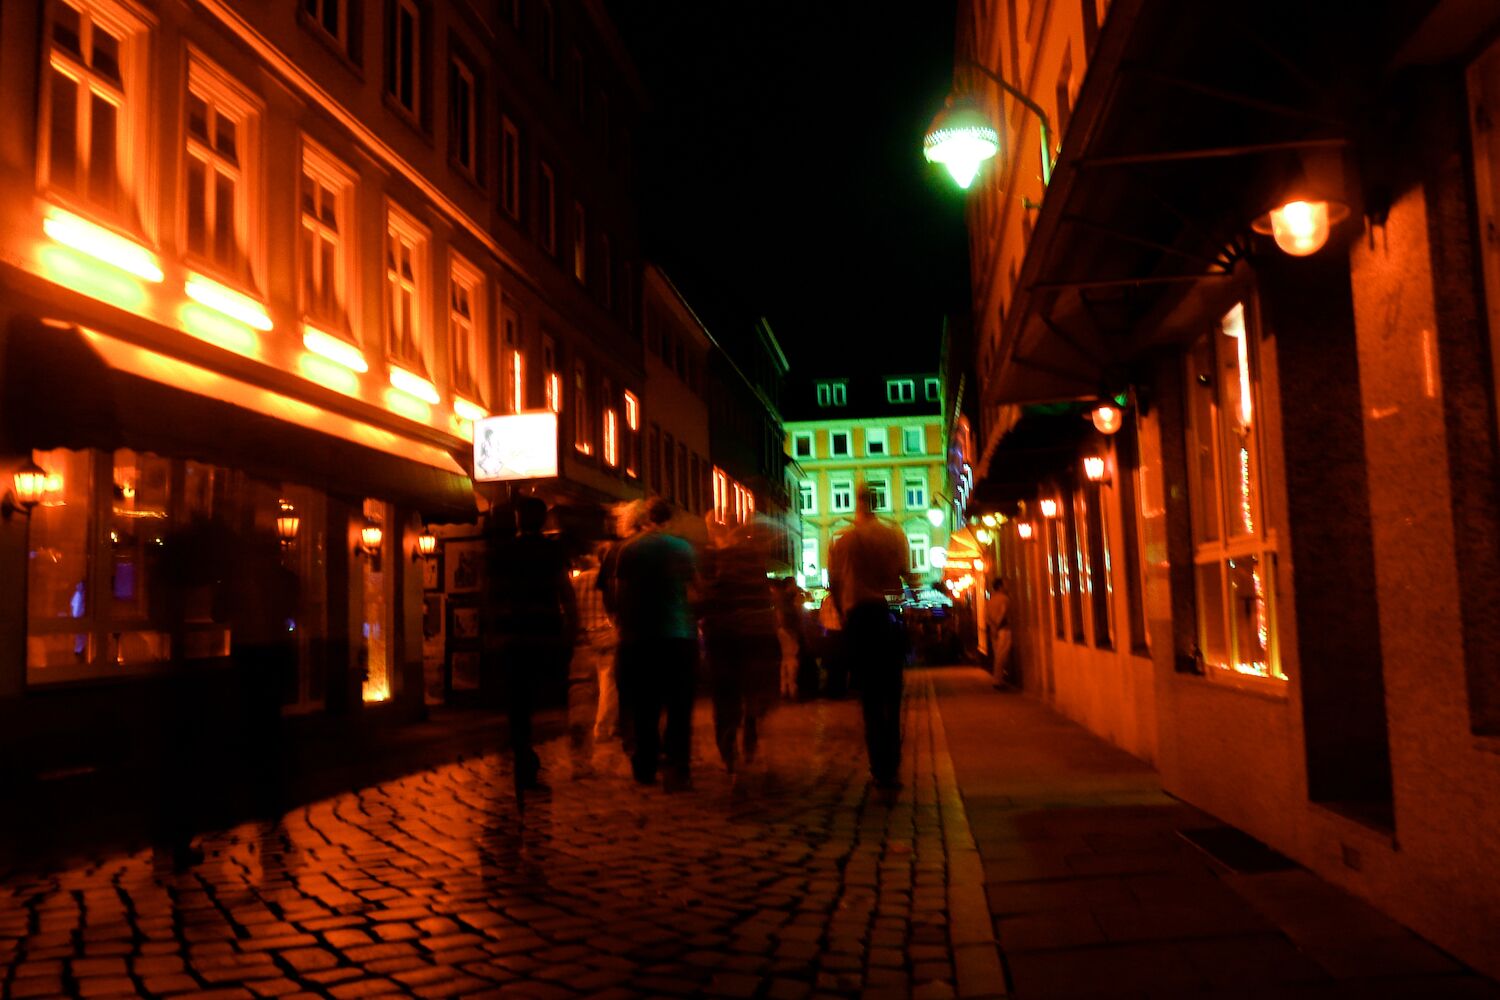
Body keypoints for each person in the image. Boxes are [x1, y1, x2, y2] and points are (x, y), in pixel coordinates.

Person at [486, 496, 578, 793]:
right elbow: (566, 593)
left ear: (517, 520)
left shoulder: (501, 551)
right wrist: (570, 632)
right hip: (542, 635)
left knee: (517, 701)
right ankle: (526, 755)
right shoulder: (552, 552)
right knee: (536, 698)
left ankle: (521, 751)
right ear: (542, 521)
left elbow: (489, 594)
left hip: (510, 635)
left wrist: (489, 632)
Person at [828, 484, 909, 790]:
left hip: (860, 619)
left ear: (856, 504)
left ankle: (880, 767)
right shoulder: (893, 535)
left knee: (871, 698)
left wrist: (843, 614)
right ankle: (893, 760)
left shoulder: (844, 541)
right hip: (889, 616)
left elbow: (835, 585)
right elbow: (903, 572)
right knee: (892, 693)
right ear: (875, 502)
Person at [614, 498, 698, 790]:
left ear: (646, 519)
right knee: (679, 707)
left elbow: (620, 593)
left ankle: (645, 766)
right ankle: (678, 768)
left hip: (639, 637)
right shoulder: (683, 549)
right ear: (670, 519)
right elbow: (693, 591)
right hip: (678, 635)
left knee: (644, 706)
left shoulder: (630, 549)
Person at [700, 514, 780, 774]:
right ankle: (750, 727)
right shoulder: (753, 561)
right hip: (755, 635)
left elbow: (706, 600)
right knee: (750, 689)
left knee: (725, 694)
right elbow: (763, 600)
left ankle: (729, 748)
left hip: (723, 637)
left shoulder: (712, 561)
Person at [988, 577, 1012, 688]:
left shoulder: (991, 599)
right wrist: (998, 626)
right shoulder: (1004, 599)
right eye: (1005, 584)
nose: (1007, 586)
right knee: (1002, 656)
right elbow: (1002, 614)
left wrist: (993, 628)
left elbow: (987, 616)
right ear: (1000, 586)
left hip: (993, 631)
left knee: (997, 655)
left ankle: (997, 679)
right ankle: (998, 681)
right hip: (1003, 629)